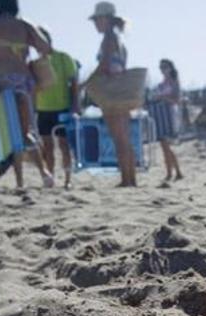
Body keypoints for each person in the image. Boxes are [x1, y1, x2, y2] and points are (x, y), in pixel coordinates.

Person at [0, 0, 55, 189]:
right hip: (25, 81)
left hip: (4, 82)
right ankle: (44, 173)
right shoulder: (24, 24)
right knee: (25, 130)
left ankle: (20, 181)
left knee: (10, 132)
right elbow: (46, 48)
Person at [87, 2, 137, 187]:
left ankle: (126, 179)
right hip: (122, 91)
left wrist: (85, 82)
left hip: (112, 93)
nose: (95, 24)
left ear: (105, 19)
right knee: (124, 138)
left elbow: (104, 65)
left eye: (97, 20)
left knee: (119, 138)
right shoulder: (118, 38)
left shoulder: (109, 38)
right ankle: (131, 179)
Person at [35, 27, 79, 190]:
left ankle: (68, 179)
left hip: (62, 107)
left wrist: (75, 105)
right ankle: (50, 178)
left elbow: (74, 83)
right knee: (47, 147)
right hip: (43, 108)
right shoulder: (35, 63)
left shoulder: (63, 58)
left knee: (64, 145)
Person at [151, 59, 184, 181]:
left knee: (167, 146)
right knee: (164, 146)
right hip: (160, 114)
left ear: (170, 68)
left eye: (164, 67)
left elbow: (176, 100)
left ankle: (175, 172)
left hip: (169, 115)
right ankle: (172, 172)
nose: (162, 70)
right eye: (160, 68)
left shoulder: (174, 82)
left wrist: (163, 97)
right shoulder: (161, 84)